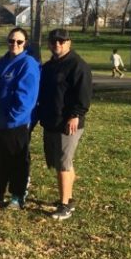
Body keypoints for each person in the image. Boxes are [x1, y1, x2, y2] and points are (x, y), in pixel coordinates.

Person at [36, 29, 92, 221]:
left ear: (69, 42)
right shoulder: (50, 66)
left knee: (63, 163)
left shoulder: (78, 65)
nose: (57, 44)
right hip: (51, 121)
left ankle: (64, 205)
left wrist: (76, 115)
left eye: (61, 41)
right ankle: (69, 198)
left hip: (68, 123)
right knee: (61, 161)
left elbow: (83, 95)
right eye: (53, 41)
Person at [0, 27, 40, 209]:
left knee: (17, 160)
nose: (14, 44)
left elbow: (27, 96)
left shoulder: (28, 63)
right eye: (11, 41)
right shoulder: (3, 61)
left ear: (25, 44)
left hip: (15, 123)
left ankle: (17, 195)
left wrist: (14, 116)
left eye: (19, 42)